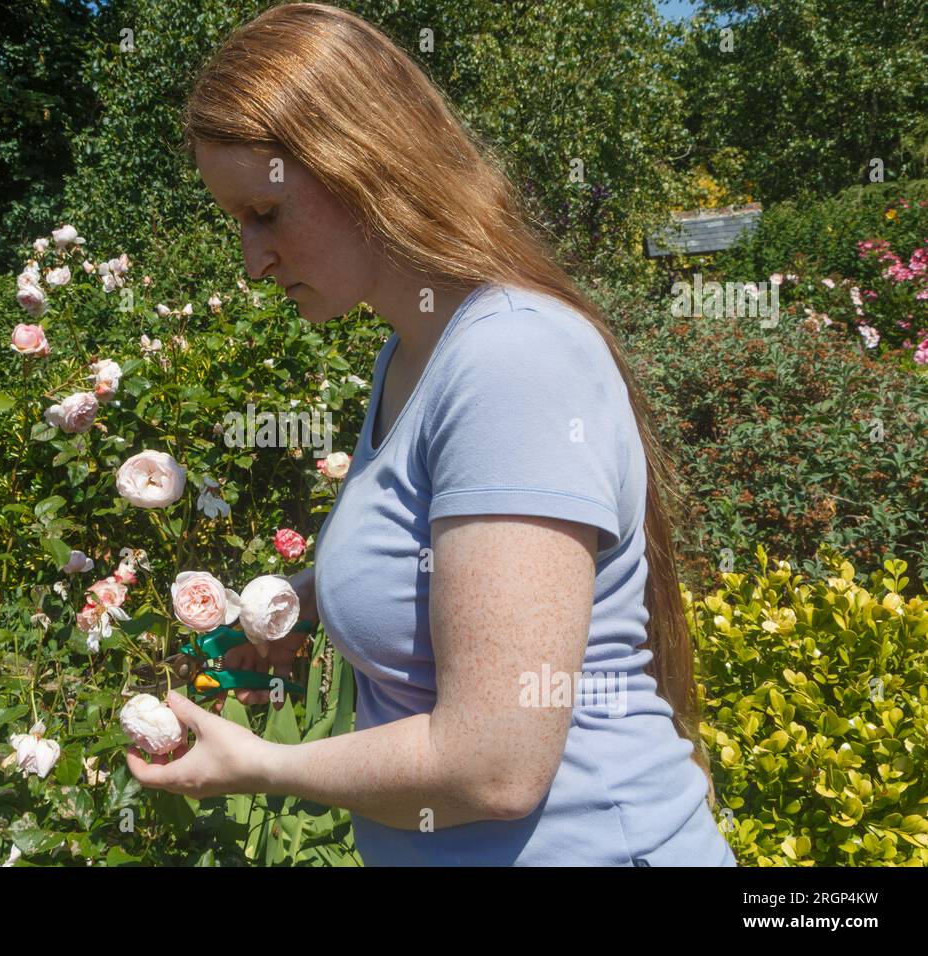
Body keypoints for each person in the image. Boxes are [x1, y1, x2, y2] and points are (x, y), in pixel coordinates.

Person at [125, 2, 736, 867]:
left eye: (265, 213)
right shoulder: (411, 351)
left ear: (363, 167)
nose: (250, 262)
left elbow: (495, 766)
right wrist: (305, 598)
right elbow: (446, 563)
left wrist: (261, 766)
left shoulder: (513, 359)